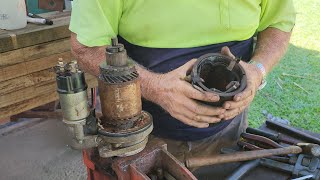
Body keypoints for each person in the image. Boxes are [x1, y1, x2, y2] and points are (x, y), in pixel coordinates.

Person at [69, 1, 296, 162]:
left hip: (230, 129)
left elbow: (278, 23)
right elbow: (86, 47)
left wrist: (257, 70)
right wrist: (154, 87)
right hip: (141, 136)